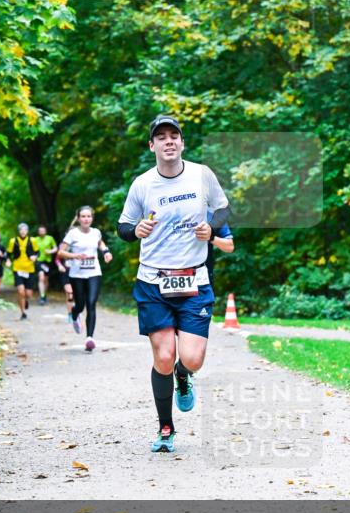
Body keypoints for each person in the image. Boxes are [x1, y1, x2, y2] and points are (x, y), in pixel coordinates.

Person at [117, 115, 230, 453]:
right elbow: (123, 227)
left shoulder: (202, 175)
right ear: (152, 145)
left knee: (192, 359)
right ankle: (166, 428)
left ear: (182, 143)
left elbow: (223, 210)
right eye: (161, 137)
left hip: (195, 278)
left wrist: (211, 229)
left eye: (174, 136)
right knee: (163, 356)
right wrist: (135, 230)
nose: (168, 141)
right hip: (153, 281)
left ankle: (184, 375)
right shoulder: (142, 184)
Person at [58, 206, 113, 352]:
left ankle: (89, 338)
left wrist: (106, 252)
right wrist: (74, 256)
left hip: (94, 272)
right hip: (77, 275)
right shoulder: (72, 234)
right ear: (78, 218)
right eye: (83, 216)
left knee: (91, 303)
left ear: (92, 218)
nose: (86, 219)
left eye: (88, 216)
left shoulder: (96, 232)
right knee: (80, 304)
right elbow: (61, 252)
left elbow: (100, 243)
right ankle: (75, 314)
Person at [5, 222, 39, 320]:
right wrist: (7, 260)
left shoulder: (32, 240)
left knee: (28, 294)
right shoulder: (13, 241)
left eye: (25, 230)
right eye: (21, 230)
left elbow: (38, 252)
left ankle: (25, 301)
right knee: (20, 291)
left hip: (29, 269)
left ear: (27, 231)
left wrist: (35, 257)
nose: (23, 232)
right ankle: (23, 312)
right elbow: (8, 253)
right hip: (17, 268)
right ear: (18, 231)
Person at [205, 210, 234, 286]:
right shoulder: (170, 212)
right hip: (171, 273)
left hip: (203, 278)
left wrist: (211, 237)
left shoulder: (212, 217)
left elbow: (230, 246)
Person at [33, 225, 57, 305]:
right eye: (40, 231)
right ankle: (42, 296)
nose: (42, 232)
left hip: (48, 261)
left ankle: (44, 294)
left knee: (46, 279)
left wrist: (50, 251)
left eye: (43, 231)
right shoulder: (35, 240)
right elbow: (31, 250)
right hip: (39, 261)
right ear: (38, 232)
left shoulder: (50, 238)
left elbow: (56, 248)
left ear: (45, 231)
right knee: (41, 277)